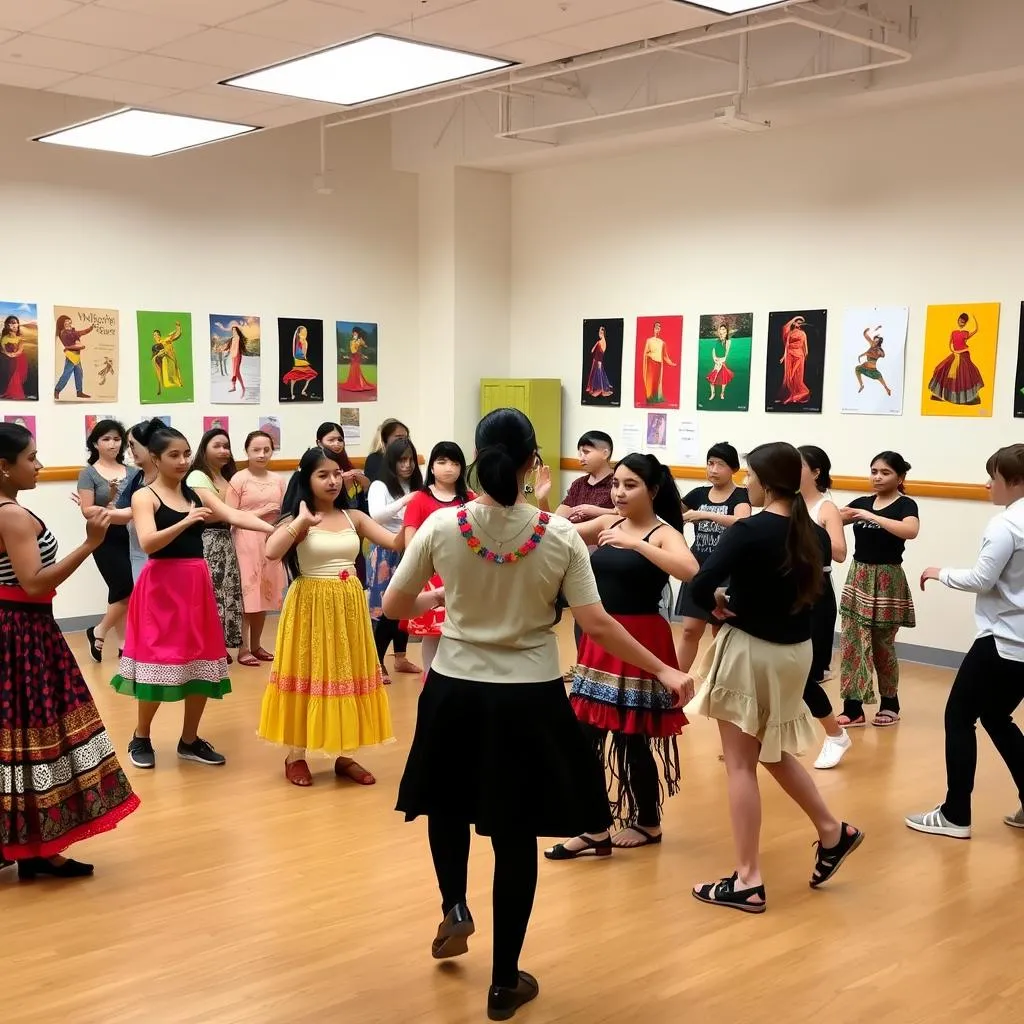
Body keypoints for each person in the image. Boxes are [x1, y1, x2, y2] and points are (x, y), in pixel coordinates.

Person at [384, 408, 690, 1021]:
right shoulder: (559, 534)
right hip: (528, 695)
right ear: (532, 464)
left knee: (448, 804)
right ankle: (504, 982)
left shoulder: (444, 525)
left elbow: (394, 604)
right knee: (514, 833)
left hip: (454, 689)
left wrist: (442, 595)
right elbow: (596, 622)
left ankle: (455, 907)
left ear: (474, 454)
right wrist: (663, 669)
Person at [685, 441, 863, 913]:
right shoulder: (813, 533)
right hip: (796, 653)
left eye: (749, 477)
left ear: (764, 481)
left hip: (753, 651)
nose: (747, 483)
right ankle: (832, 831)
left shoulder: (749, 530)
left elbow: (701, 583)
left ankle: (747, 879)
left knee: (740, 763)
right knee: (773, 751)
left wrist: (718, 605)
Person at [0, 423, 139, 879]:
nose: (39, 465)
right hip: (23, 633)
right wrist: (90, 544)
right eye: (31, 458)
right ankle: (33, 847)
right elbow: (35, 582)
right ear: (4, 467)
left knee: (25, 738)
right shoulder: (11, 515)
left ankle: (33, 847)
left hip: (23, 630)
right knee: (35, 735)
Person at [547, 454, 698, 857]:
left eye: (629, 485)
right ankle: (596, 826)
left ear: (652, 490)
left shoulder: (664, 532)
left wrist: (637, 544)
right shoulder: (607, 523)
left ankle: (647, 821)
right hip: (601, 639)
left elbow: (688, 569)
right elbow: (555, 534)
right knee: (585, 736)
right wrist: (541, 501)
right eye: (616, 484)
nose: (618, 492)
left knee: (632, 737)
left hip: (642, 638)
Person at [111, 426, 274, 771]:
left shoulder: (196, 492)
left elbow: (233, 515)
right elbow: (148, 542)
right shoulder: (145, 496)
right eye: (174, 455)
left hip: (195, 583)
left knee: (201, 660)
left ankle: (189, 740)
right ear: (155, 458)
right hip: (161, 587)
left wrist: (279, 530)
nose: (183, 460)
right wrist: (185, 522)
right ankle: (141, 736)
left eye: (186, 454)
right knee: (158, 662)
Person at [258, 447, 400, 786]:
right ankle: (295, 755)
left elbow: (396, 542)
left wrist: (423, 511)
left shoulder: (355, 517)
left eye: (337, 473)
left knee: (346, 676)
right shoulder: (298, 518)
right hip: (310, 605)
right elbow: (271, 551)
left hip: (349, 606)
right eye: (323, 475)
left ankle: (344, 754)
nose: (333, 480)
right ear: (306, 479)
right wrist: (301, 523)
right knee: (307, 673)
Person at [907, 445, 1024, 840]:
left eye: (995, 477)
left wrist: (941, 573)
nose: (988, 484)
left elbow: (982, 579)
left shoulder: (1006, 525)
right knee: (995, 716)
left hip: (1001, 641)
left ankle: (956, 814)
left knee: (958, 716)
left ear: (1015, 482)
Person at [837, 452, 919, 728]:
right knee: (852, 642)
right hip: (858, 576)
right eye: (873, 471)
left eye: (885, 472)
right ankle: (853, 707)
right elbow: (830, 520)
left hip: (887, 579)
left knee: (882, 645)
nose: (877, 477)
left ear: (900, 477)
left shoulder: (905, 504)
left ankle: (890, 702)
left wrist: (870, 516)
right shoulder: (860, 503)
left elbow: (910, 530)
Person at [797, 445, 852, 770]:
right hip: (785, 590)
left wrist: (809, 531)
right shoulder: (786, 502)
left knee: (806, 672)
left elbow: (840, 552)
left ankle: (834, 734)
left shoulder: (825, 506)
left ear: (816, 471)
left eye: (799, 465)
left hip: (816, 591)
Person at [674, 442, 751, 672]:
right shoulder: (698, 494)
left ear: (733, 469)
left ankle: (716, 682)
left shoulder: (741, 495)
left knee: (721, 632)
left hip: (727, 572)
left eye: (720, 464)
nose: (713, 469)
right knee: (689, 630)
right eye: (710, 463)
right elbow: (675, 512)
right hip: (698, 569)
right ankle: (677, 681)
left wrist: (706, 514)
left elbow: (742, 521)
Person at [402, 441, 475, 680]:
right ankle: (430, 679)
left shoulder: (471, 499)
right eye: (442, 462)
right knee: (432, 633)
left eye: (455, 463)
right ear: (431, 467)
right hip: (431, 575)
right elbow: (410, 542)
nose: (448, 468)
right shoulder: (419, 500)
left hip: (465, 574)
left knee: (462, 631)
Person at [226, 431, 286, 665]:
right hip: (245, 539)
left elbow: (284, 511)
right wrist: (260, 512)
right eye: (256, 450)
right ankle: (241, 648)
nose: (262, 455)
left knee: (264, 595)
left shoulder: (279, 480)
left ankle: (257, 644)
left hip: (270, 539)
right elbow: (230, 515)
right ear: (247, 452)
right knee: (246, 595)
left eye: (266, 450)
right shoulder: (238, 479)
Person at [187, 428, 245, 665]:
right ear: (204, 449)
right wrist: (236, 514)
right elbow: (206, 514)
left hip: (227, 539)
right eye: (217, 446)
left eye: (226, 446)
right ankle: (207, 646)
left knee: (228, 592)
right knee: (210, 594)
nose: (223, 451)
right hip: (206, 540)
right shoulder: (197, 476)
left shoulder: (232, 477)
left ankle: (221, 645)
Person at [77, 419, 133, 663]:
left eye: (117, 439)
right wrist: (108, 504)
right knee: (125, 587)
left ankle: (123, 645)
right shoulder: (88, 473)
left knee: (120, 590)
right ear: (95, 443)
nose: (112, 444)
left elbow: (142, 504)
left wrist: (120, 507)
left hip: (131, 534)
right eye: (106, 439)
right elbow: (87, 510)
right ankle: (99, 631)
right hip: (103, 536)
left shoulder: (133, 472)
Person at [368, 437, 422, 683]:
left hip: (412, 548)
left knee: (407, 606)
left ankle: (400, 657)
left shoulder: (418, 484)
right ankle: (376, 661)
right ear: (392, 461)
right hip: (386, 551)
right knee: (386, 609)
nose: (407, 465)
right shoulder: (380, 485)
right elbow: (376, 516)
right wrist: (405, 501)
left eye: (411, 460)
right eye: (402, 460)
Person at [928, 312, 983, 405]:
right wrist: (954, 352)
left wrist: (975, 318)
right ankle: (940, 395)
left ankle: (968, 397)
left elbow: (976, 329)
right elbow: (950, 344)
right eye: (960, 320)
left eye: (963, 322)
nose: (961, 322)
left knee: (965, 374)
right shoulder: (953, 332)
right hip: (955, 354)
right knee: (941, 368)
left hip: (964, 355)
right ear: (958, 320)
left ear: (965, 323)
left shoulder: (965, 333)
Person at [54, 313, 94, 399]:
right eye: (66, 321)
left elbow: (81, 332)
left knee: (79, 373)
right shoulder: (63, 333)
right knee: (66, 374)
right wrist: (80, 347)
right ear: (62, 323)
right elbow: (68, 346)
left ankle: (79, 392)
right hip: (71, 356)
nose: (68, 322)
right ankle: (57, 390)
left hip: (77, 356)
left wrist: (90, 328)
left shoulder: (72, 331)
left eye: (69, 320)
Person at [363, 418, 410, 482]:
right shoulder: (374, 459)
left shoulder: (408, 458)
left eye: (406, 438)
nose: (404, 441)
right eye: (399, 437)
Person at [778, 315, 811, 405]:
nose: (799, 324)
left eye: (801, 323)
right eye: (798, 322)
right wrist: (783, 357)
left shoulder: (803, 333)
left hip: (799, 355)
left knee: (795, 376)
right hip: (790, 354)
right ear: (794, 323)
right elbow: (787, 346)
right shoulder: (790, 333)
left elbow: (805, 347)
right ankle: (791, 395)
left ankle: (795, 395)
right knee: (789, 377)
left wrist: (805, 356)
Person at [641, 321, 675, 404]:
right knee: (651, 382)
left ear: (660, 329)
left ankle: (656, 399)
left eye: (659, 328)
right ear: (653, 329)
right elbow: (645, 353)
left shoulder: (662, 342)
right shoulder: (649, 340)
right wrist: (649, 356)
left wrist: (671, 363)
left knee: (657, 382)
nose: (657, 329)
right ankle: (650, 399)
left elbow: (665, 356)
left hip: (659, 364)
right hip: (651, 363)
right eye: (656, 327)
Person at [282, 325, 318, 400]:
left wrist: (303, 359)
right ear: (299, 334)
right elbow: (299, 354)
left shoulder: (304, 342)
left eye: (305, 332)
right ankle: (293, 394)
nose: (305, 334)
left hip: (301, 362)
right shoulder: (298, 342)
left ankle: (301, 391)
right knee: (294, 379)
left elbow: (304, 354)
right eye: (303, 332)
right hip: (299, 362)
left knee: (308, 376)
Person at [855, 327, 891, 396]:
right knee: (857, 368)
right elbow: (866, 336)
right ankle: (861, 385)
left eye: (876, 341)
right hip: (864, 368)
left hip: (872, 370)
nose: (874, 342)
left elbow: (883, 355)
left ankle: (887, 389)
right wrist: (865, 332)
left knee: (880, 378)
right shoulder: (872, 345)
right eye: (874, 340)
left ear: (878, 343)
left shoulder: (878, 349)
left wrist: (879, 351)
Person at [1, 315, 29, 401]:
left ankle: (16, 393)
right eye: (12, 323)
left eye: (16, 323)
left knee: (16, 375)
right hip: (9, 359)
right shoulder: (4, 338)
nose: (14, 325)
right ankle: (10, 392)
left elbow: (20, 350)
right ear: (7, 325)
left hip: (20, 360)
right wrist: (8, 354)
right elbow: (3, 350)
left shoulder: (20, 338)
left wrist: (13, 354)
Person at [340, 325, 375, 393]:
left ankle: (358, 384)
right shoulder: (352, 342)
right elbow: (352, 351)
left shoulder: (359, 341)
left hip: (357, 358)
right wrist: (348, 356)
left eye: (355, 333)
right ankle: (355, 384)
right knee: (353, 371)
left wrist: (363, 353)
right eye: (353, 333)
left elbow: (362, 348)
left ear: (358, 334)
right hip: (354, 358)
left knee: (356, 370)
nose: (354, 334)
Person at [706, 322, 734, 402]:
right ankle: (713, 393)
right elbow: (713, 351)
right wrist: (714, 359)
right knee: (712, 380)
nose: (722, 333)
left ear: (726, 332)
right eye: (721, 330)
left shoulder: (728, 342)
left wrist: (721, 361)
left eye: (724, 330)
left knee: (724, 380)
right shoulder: (716, 341)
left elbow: (726, 355)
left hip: (722, 362)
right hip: (716, 361)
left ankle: (722, 393)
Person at [585, 325, 613, 399]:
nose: (599, 334)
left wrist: (599, 361)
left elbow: (601, 353)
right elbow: (592, 351)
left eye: (601, 332)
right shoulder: (599, 342)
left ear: (603, 333)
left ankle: (602, 389)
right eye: (599, 332)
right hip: (595, 360)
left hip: (598, 360)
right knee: (594, 374)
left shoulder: (603, 342)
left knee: (599, 374)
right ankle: (593, 388)